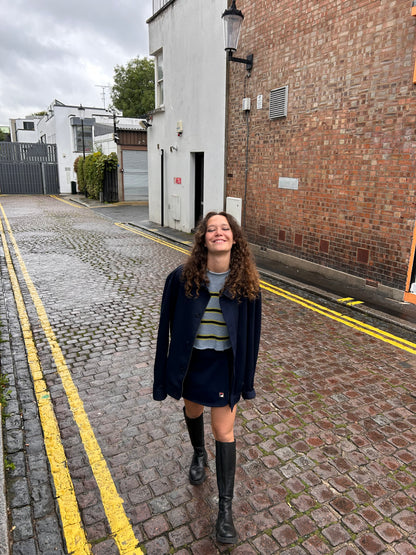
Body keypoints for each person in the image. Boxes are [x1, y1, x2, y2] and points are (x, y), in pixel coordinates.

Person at [153, 211, 261, 544]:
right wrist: (164, 374)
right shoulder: (181, 278)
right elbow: (164, 331)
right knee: (193, 411)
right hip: (192, 362)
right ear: (203, 238)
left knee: (223, 430)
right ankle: (199, 454)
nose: (218, 233)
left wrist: (246, 381)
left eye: (224, 228)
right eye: (211, 229)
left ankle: (225, 511)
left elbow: (252, 337)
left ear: (234, 238)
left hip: (224, 367)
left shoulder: (246, 284)